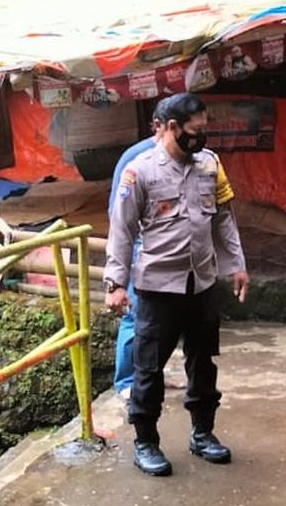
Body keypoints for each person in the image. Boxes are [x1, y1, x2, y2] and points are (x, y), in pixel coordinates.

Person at [103, 93, 250, 477]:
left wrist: (236, 265)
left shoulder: (210, 165)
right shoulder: (140, 171)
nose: (202, 136)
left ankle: (203, 434)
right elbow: (121, 230)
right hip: (157, 288)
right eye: (195, 130)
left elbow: (223, 218)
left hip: (201, 284)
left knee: (203, 363)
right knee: (148, 369)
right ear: (171, 127)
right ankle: (146, 443)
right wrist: (115, 284)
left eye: (204, 129)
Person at [108, 100, 169, 396]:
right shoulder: (137, 157)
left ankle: (150, 373)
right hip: (140, 247)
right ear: (159, 126)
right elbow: (119, 213)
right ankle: (126, 382)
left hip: (165, 250)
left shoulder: (178, 157)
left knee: (163, 317)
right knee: (134, 314)